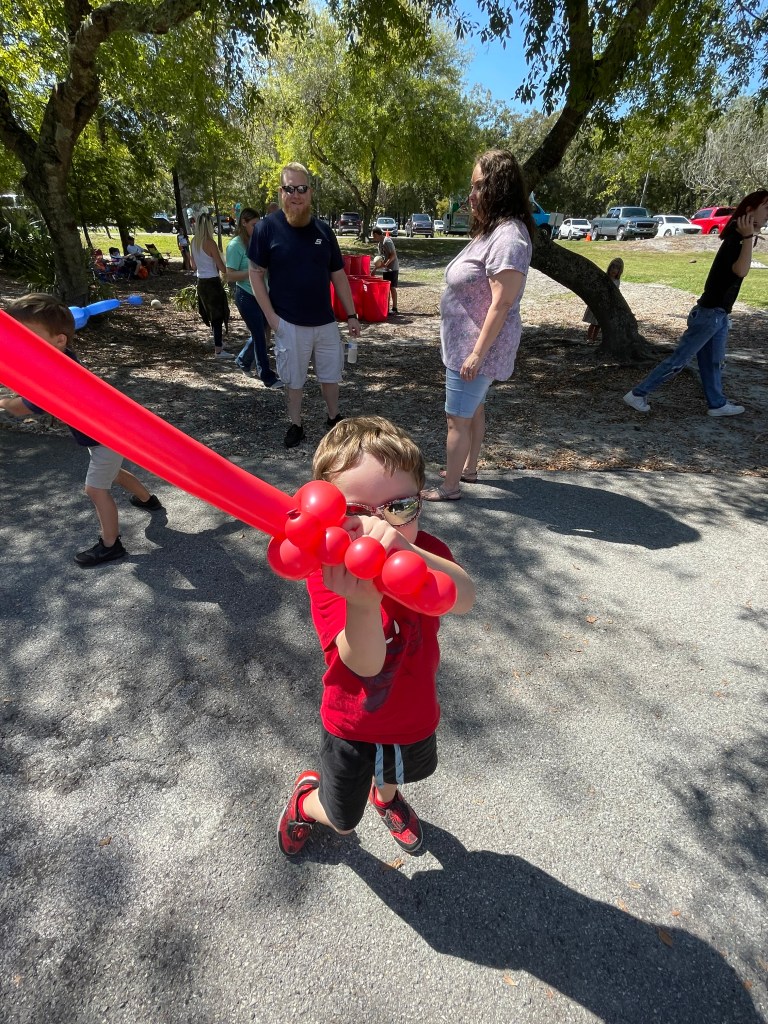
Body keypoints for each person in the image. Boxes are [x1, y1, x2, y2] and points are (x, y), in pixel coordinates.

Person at [276, 416, 476, 857]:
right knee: (342, 819)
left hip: (413, 711)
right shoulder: (329, 574)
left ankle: (384, 798)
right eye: (355, 514)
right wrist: (363, 604)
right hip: (354, 724)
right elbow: (364, 664)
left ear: (420, 501)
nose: (379, 529)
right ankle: (306, 803)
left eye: (399, 507)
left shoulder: (427, 552)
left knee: (394, 776)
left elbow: (463, 598)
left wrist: (409, 550)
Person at [0, 294, 164, 566]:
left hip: (105, 437)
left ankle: (111, 545)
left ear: (59, 340)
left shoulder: (56, 376)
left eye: (27, 336)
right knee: (113, 473)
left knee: (95, 489)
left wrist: (4, 401)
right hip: (104, 433)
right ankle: (148, 500)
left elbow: (20, 408)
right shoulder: (60, 357)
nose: (20, 343)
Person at [422, 149, 534, 502]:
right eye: (472, 187)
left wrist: (476, 355)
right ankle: (467, 469)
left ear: (500, 188)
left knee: (457, 418)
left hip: (476, 349)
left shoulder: (509, 238)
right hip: (467, 345)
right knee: (474, 409)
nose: (471, 195)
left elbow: (502, 303)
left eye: (479, 186)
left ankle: (450, 487)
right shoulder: (495, 231)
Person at [624, 189, 768, 417]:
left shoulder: (740, 236)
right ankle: (638, 394)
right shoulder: (737, 238)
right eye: (766, 208)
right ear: (750, 209)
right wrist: (749, 236)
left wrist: (750, 235)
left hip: (719, 314)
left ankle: (717, 404)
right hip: (709, 314)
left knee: (713, 362)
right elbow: (741, 270)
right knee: (678, 360)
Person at [248, 162, 361, 448]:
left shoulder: (324, 231)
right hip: (288, 322)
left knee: (331, 375)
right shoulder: (266, 229)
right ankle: (295, 423)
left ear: (310, 192)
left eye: (301, 188)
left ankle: (333, 418)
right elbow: (255, 274)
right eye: (289, 189)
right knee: (293, 380)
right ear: (281, 192)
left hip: (325, 321)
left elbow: (338, 275)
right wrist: (272, 318)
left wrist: (351, 314)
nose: (295, 195)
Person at [225, 207, 282, 389]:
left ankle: (242, 360)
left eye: (259, 225)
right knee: (259, 336)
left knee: (261, 332)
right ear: (244, 223)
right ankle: (267, 376)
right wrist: (253, 273)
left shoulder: (259, 241)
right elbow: (229, 275)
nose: (258, 229)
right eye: (254, 225)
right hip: (246, 296)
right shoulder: (235, 245)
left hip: (262, 294)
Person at [190, 212, 234, 360]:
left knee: (210, 314)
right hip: (212, 282)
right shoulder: (210, 243)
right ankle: (218, 350)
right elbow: (222, 268)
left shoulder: (193, 242)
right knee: (218, 316)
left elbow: (193, 266)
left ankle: (218, 343)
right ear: (209, 226)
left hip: (201, 282)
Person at [582, 257, 624, 341]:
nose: (614, 270)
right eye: (613, 267)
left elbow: (614, 293)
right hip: (597, 302)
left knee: (599, 324)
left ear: (619, 271)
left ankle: (593, 339)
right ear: (609, 267)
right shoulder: (603, 277)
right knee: (593, 323)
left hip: (606, 304)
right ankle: (589, 338)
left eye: (617, 269)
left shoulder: (616, 281)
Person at [371, 226, 399, 314]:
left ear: (376, 234)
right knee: (387, 288)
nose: (373, 237)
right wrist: (375, 268)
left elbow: (393, 255)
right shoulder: (380, 244)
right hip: (386, 269)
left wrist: (386, 264)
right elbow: (381, 259)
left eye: (373, 235)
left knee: (392, 287)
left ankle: (394, 308)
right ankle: (386, 307)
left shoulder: (387, 241)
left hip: (393, 267)